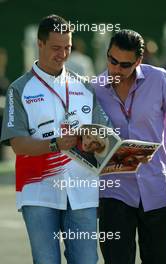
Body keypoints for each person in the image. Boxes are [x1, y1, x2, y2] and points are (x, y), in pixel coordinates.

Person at [0, 14, 110, 264]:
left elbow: (105, 132)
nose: (62, 54)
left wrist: (100, 141)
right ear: (40, 44)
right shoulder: (19, 88)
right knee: (46, 261)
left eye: (67, 48)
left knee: (86, 261)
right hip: (38, 191)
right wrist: (55, 144)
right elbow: (17, 144)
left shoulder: (85, 87)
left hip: (83, 191)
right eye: (56, 48)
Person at [93, 29, 166, 264]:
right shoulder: (95, 88)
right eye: (112, 60)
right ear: (108, 54)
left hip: (157, 189)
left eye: (125, 65)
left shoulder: (159, 79)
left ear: (138, 61)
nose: (116, 69)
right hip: (114, 191)